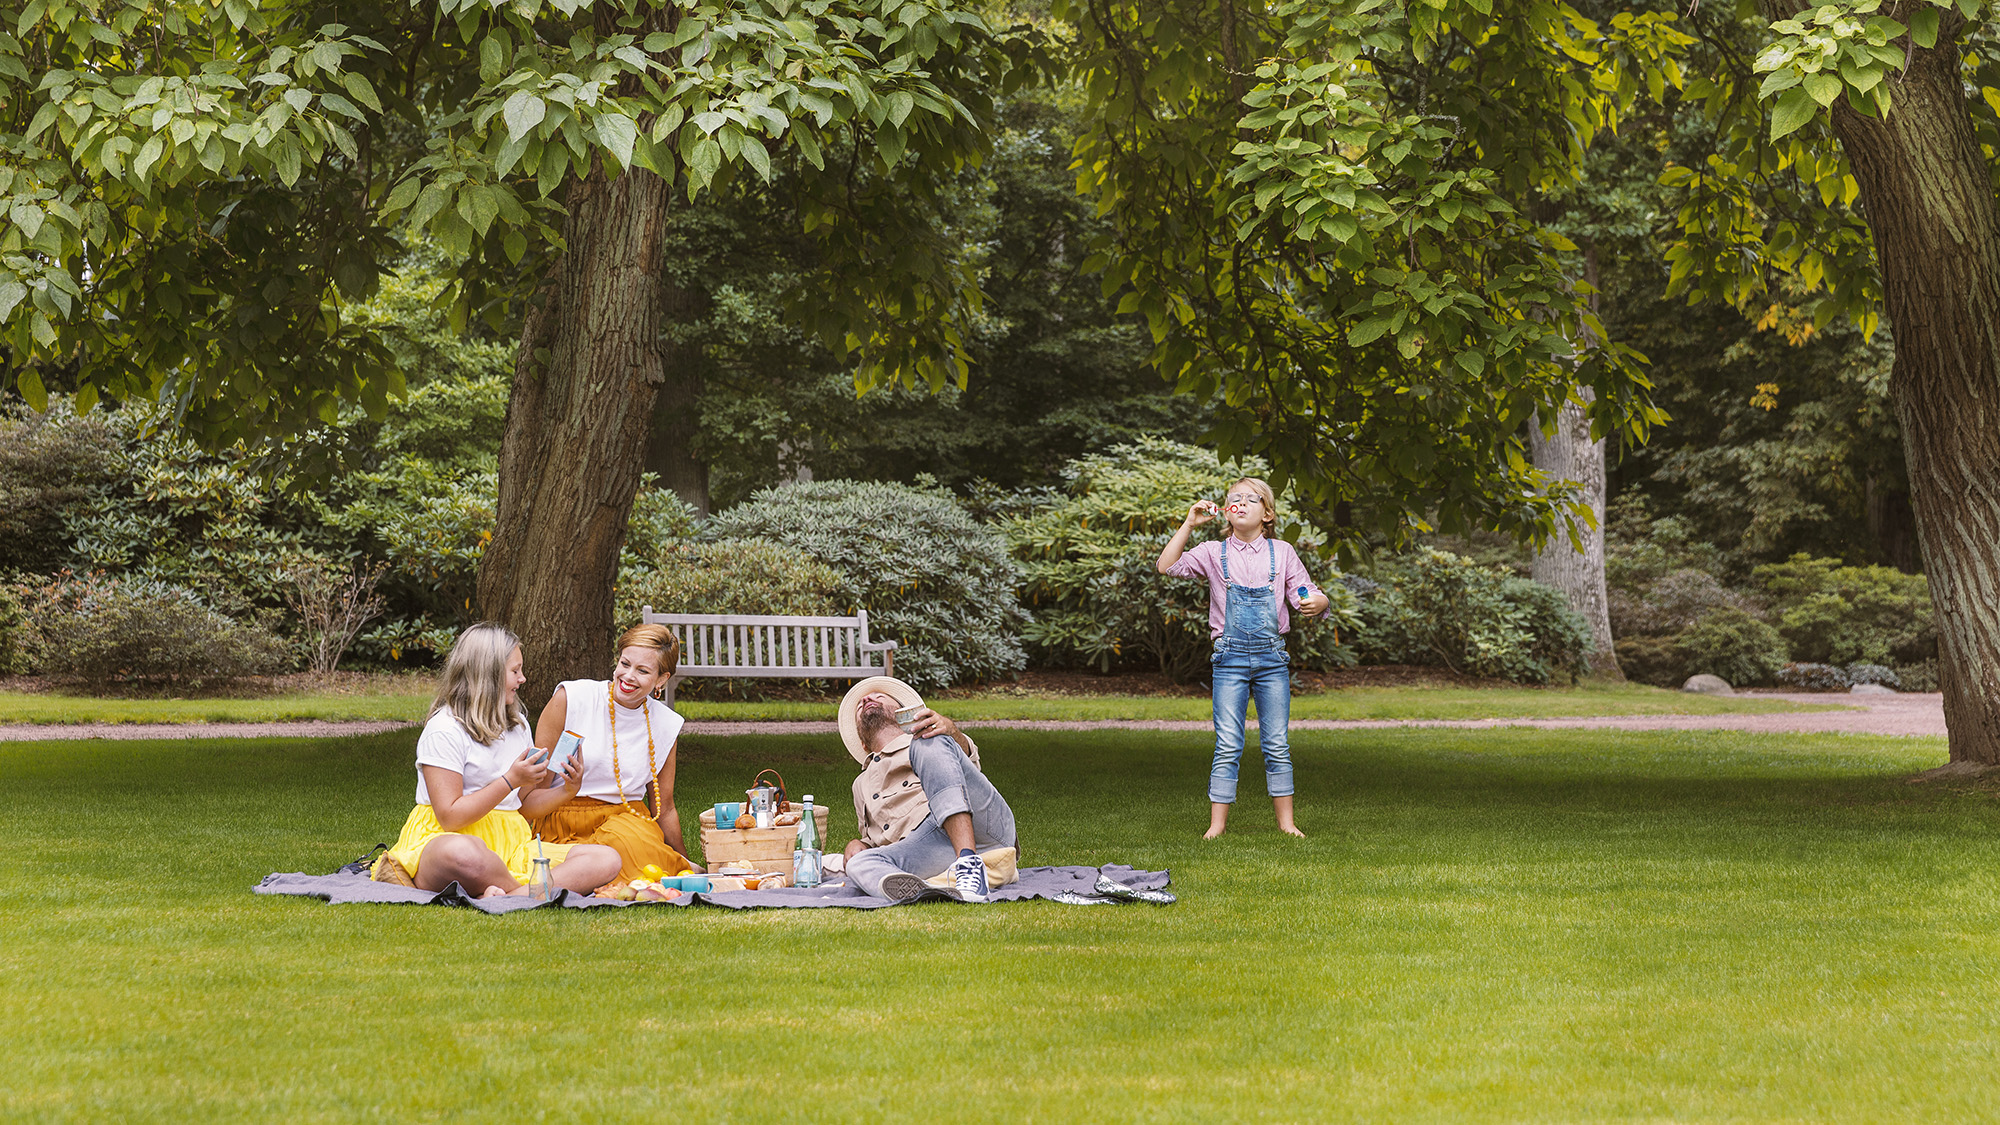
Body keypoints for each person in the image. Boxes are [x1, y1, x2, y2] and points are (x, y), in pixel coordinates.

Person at [372, 623, 621, 897]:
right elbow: (450, 817)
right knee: (461, 853)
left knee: (606, 859)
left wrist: (567, 790)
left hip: (511, 846)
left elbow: (523, 805)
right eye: (515, 671)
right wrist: (509, 780)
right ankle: (529, 891)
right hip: (446, 841)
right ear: (486, 675)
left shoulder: (518, 726)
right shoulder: (444, 728)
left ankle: (507, 896)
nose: (523, 678)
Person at [1156, 476, 1331, 839]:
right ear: (1226, 511)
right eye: (1234, 498)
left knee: (1277, 743)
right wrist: (1189, 523)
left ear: (1267, 513)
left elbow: (1307, 591)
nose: (1240, 503)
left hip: (1271, 660)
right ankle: (1216, 827)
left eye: (1250, 499)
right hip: (1229, 659)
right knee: (1228, 743)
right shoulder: (1211, 552)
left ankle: (1287, 825)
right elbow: (1166, 566)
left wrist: (1319, 602)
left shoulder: (1282, 552)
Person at [527, 623, 700, 882]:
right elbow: (534, 788)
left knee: (626, 843)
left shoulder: (665, 723)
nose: (628, 676)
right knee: (624, 857)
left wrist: (681, 861)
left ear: (662, 679)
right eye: (625, 664)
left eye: (642, 670)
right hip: (562, 815)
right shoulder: (571, 698)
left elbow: (664, 807)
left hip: (625, 822)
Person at [838, 676, 1018, 903]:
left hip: (984, 826)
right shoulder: (860, 785)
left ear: (904, 714)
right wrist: (860, 844)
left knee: (927, 740)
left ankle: (968, 862)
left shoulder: (929, 736)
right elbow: (876, 839)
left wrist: (950, 730)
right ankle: (928, 890)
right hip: (928, 848)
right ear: (863, 743)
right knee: (859, 863)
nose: (866, 698)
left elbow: (969, 762)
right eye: (860, 705)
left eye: (879, 696)